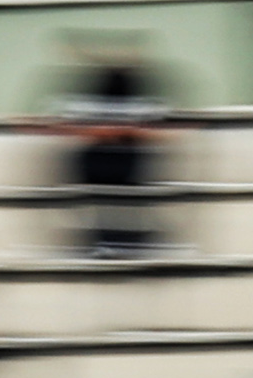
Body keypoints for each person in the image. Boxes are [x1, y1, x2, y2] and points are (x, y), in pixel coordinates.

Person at [53, 34, 182, 259]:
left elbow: (69, 124)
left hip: (110, 164)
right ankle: (118, 235)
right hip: (119, 164)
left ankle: (111, 236)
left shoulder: (88, 102)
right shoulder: (139, 102)